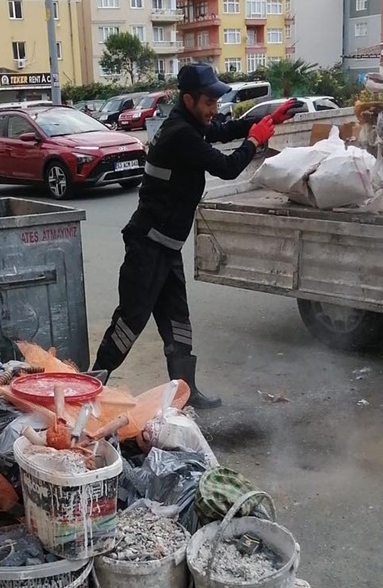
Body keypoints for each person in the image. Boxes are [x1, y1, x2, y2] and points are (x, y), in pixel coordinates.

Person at [92, 63, 297, 408]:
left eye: (216, 102)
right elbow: (228, 168)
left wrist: (269, 120)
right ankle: (93, 385)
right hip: (148, 245)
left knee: (178, 321)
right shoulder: (180, 135)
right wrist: (255, 141)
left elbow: (221, 129)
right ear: (188, 99)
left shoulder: (190, 123)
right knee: (130, 321)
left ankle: (185, 393)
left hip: (166, 247)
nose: (214, 110)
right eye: (208, 103)